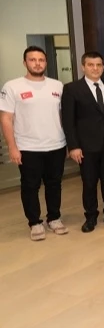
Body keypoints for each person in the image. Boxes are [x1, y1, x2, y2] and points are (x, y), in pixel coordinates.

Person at [0, 46, 68, 241]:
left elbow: (62, 115)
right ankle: (35, 222)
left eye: (41, 60)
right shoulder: (12, 86)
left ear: (46, 62)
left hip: (56, 144)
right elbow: (6, 119)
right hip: (28, 147)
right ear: (25, 63)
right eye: (32, 60)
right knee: (30, 186)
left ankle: (54, 218)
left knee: (54, 184)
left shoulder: (57, 86)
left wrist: (67, 142)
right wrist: (12, 147)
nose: (37, 63)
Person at [61, 51, 104, 233]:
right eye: (91, 65)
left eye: (98, 65)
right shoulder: (72, 89)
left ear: (103, 67)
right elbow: (68, 120)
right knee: (89, 183)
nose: (95, 68)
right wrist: (73, 146)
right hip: (86, 145)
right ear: (83, 67)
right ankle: (91, 216)